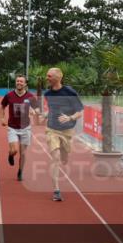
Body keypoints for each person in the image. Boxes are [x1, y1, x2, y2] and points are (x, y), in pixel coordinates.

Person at [42, 67, 83, 202]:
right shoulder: (47, 94)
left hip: (67, 131)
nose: (47, 78)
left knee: (64, 159)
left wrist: (70, 117)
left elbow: (79, 112)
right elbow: (51, 109)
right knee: (56, 158)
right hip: (52, 129)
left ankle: (65, 155)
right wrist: (44, 115)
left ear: (58, 77)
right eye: (47, 76)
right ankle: (56, 190)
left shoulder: (69, 92)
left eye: (49, 76)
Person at [0, 74, 39, 181]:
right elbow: (2, 106)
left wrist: (34, 111)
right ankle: (10, 155)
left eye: (21, 81)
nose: (19, 83)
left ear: (25, 84)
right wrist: (2, 118)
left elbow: (37, 109)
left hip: (25, 128)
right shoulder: (9, 95)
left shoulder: (30, 96)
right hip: (12, 127)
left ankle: (20, 171)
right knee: (14, 150)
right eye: (17, 81)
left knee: (23, 153)